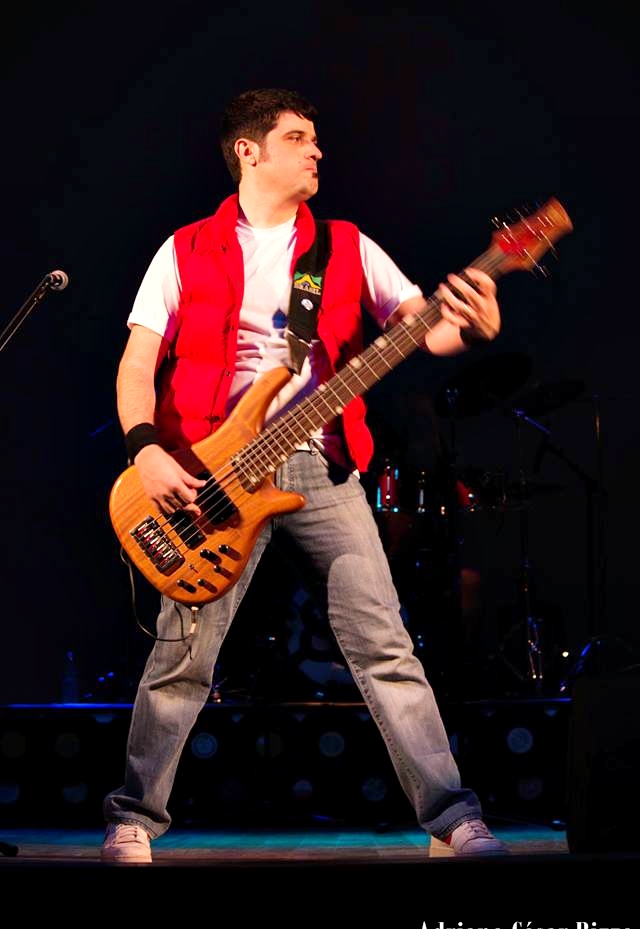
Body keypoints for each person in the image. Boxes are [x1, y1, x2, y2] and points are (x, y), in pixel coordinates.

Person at [101, 87, 508, 863]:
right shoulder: (184, 248)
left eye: (316, 138)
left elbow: (426, 329)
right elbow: (136, 362)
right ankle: (132, 820)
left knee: (385, 646)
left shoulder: (347, 247)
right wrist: (146, 448)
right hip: (208, 480)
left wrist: (472, 324)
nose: (317, 149)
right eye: (297, 137)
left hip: (323, 465)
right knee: (182, 658)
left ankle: (455, 822)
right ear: (249, 151)